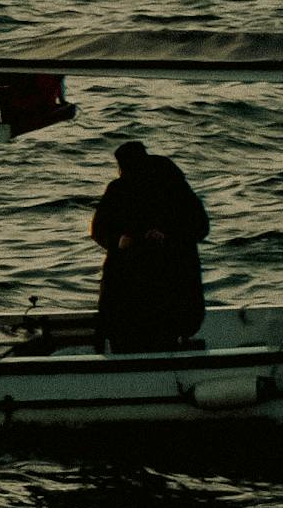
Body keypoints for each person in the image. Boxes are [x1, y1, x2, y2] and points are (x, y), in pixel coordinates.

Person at [90, 136, 209, 352]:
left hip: (165, 284)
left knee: (153, 333)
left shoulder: (172, 188)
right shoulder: (121, 189)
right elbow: (99, 229)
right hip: (136, 287)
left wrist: (167, 237)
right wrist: (119, 240)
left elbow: (199, 226)